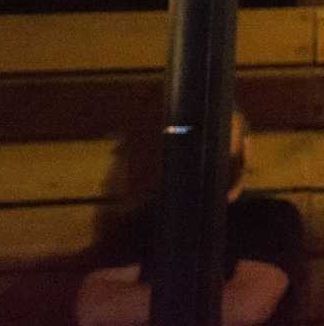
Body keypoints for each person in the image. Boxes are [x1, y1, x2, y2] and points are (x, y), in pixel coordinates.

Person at [74, 110, 303, 326]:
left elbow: (246, 307)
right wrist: (213, 296)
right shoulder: (145, 220)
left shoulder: (270, 216)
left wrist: (143, 298)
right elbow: (93, 308)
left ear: (246, 146)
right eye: (193, 134)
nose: (205, 146)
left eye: (218, 133)